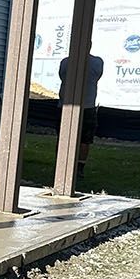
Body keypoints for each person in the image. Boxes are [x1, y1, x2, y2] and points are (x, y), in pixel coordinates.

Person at [58, 52, 104, 182]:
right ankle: (79, 167)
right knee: (85, 139)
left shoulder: (66, 62)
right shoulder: (97, 62)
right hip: (87, 106)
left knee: (64, 137)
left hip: (66, 105)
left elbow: (62, 76)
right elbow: (97, 76)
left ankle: (63, 166)